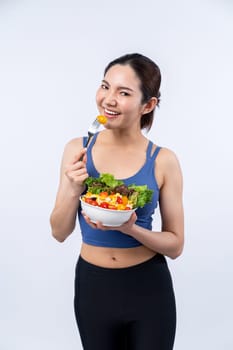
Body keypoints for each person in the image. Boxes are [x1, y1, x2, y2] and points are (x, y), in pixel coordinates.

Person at [50, 53, 184, 350]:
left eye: (123, 93)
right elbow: (59, 232)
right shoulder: (78, 149)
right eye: (105, 86)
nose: (108, 99)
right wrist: (73, 187)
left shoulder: (163, 160)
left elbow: (175, 245)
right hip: (93, 287)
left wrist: (132, 230)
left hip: (148, 288)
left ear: (147, 105)